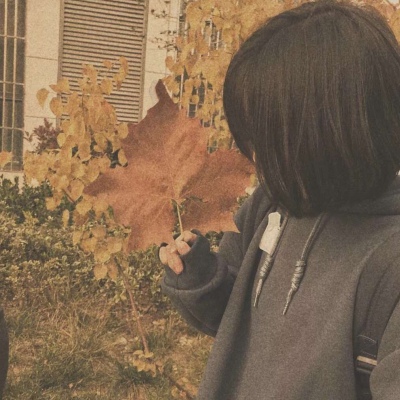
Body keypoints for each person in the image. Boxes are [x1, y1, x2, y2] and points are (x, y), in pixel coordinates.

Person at [159, 0, 400, 399]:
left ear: (335, 135)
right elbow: (231, 316)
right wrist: (199, 276)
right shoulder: (269, 207)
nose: (254, 158)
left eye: (269, 142)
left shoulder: (389, 260)